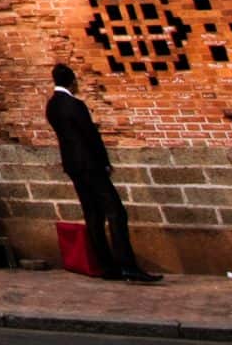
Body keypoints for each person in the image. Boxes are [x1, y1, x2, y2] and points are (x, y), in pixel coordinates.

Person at [48, 63, 160, 283]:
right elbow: (90, 137)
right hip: (90, 164)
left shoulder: (51, 106)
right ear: (73, 81)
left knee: (93, 214)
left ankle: (106, 265)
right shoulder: (75, 105)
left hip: (72, 165)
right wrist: (104, 163)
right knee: (116, 213)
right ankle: (127, 265)